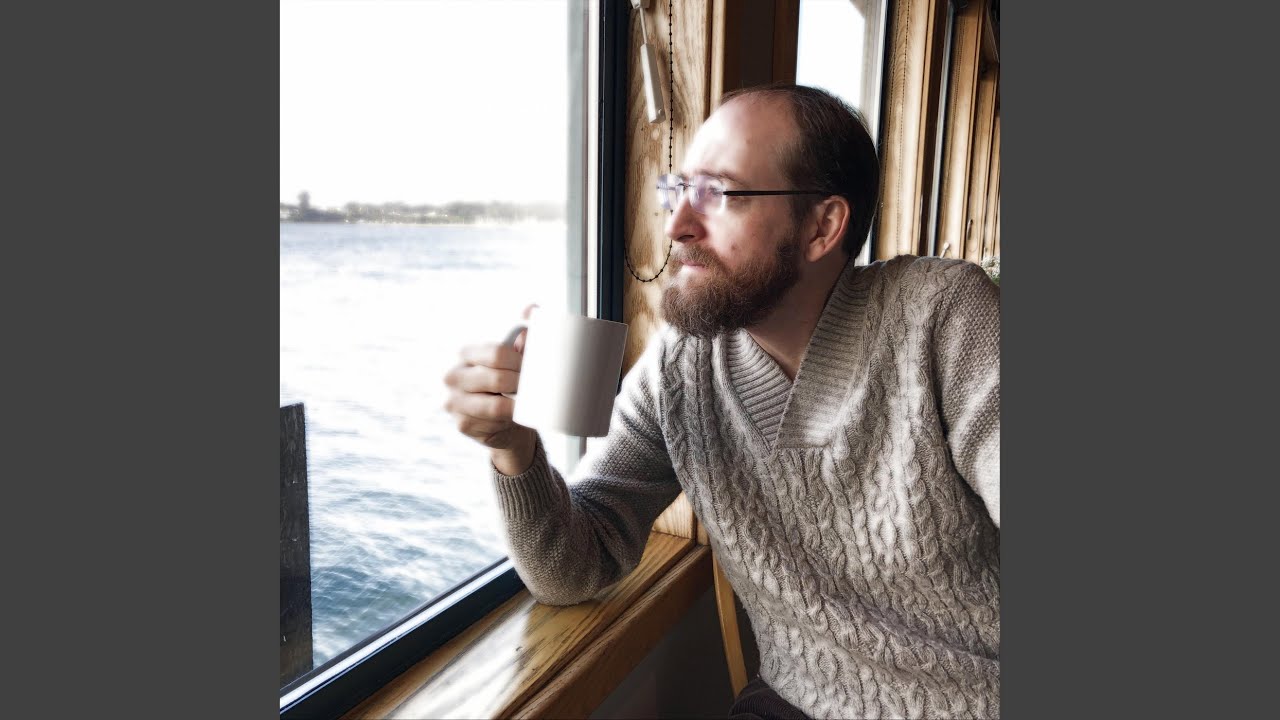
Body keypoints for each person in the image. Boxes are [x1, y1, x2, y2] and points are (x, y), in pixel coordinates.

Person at [444, 84, 999, 720]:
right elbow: (574, 568)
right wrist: (513, 450)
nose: (677, 224)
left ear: (822, 226)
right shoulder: (682, 367)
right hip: (797, 704)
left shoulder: (943, 317)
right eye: (678, 189)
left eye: (718, 193)